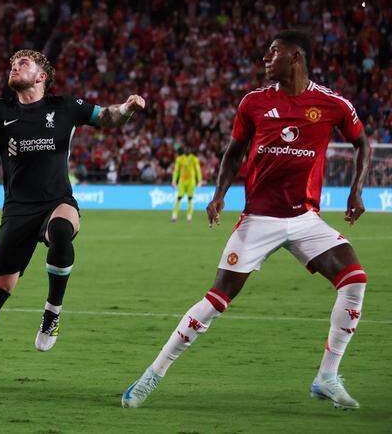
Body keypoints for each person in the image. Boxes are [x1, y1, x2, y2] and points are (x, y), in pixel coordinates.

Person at [122, 31, 371, 410]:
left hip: (306, 219)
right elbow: (234, 150)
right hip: (259, 220)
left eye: (274, 52)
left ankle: (327, 377)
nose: (265, 58)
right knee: (217, 299)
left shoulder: (332, 104)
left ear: (295, 57)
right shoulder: (254, 102)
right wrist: (220, 193)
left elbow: (363, 143)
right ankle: (150, 376)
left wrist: (357, 190)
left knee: (354, 281)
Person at [0, 49, 146, 391]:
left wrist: (128, 109)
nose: (15, 67)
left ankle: (52, 313)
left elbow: (107, 116)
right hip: (17, 212)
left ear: (42, 76)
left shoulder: (65, 107)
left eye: (23, 64)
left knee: (62, 232)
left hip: (56, 201)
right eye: (12, 63)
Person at [170, 147, 202, 222]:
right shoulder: (179, 159)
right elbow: (176, 171)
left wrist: (200, 181)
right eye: (186, 149)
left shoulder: (194, 159)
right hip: (182, 181)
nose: (187, 150)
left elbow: (198, 170)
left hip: (191, 181)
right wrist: (174, 181)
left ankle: (189, 217)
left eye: (188, 149)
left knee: (190, 199)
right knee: (179, 198)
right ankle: (174, 216)